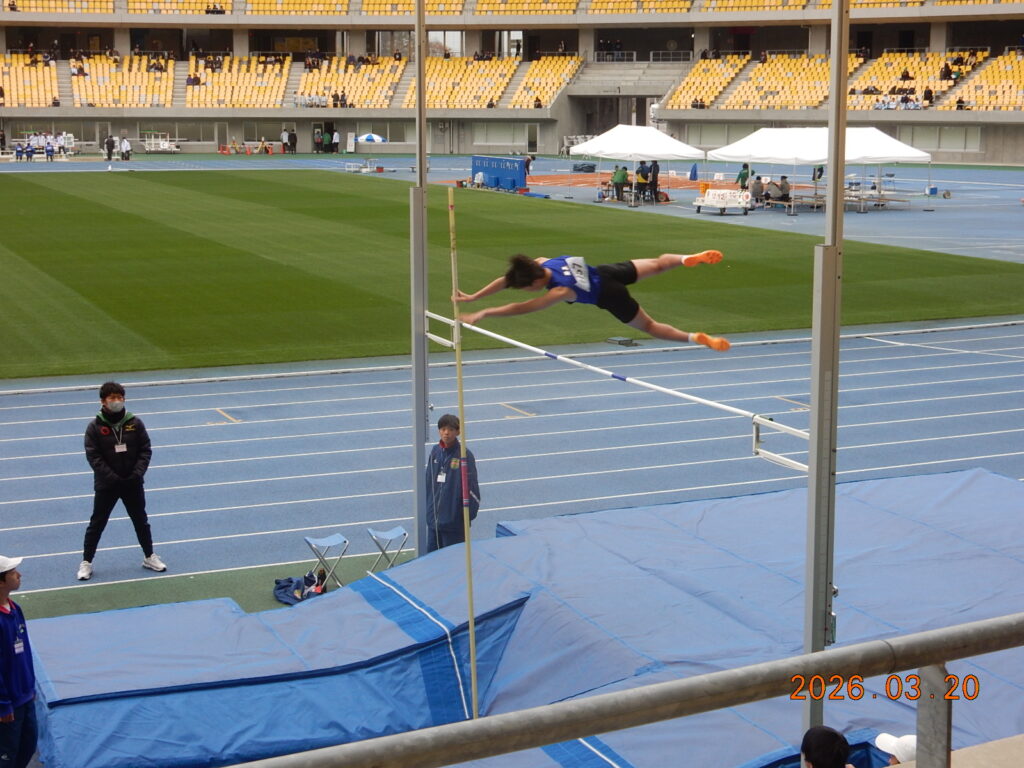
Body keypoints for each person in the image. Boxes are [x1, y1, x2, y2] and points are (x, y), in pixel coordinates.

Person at [455, 252, 731, 350]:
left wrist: (485, 312)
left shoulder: (560, 291)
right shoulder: (543, 262)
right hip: (606, 272)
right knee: (659, 263)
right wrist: (475, 296)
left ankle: (695, 338)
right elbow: (507, 279)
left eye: (526, 288)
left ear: (536, 283)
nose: (526, 292)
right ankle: (686, 258)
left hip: (610, 296)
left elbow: (522, 308)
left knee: (650, 327)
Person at [78, 382, 165, 581]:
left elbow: (145, 450)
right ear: (103, 401)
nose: (116, 401)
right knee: (97, 523)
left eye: (119, 397)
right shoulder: (95, 426)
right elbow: (94, 457)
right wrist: (113, 478)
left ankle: (149, 556)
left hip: (133, 483)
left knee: (141, 521)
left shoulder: (135, 422)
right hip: (107, 485)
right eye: (112, 398)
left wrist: (136, 474)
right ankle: (86, 562)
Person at [0, 554, 37, 768]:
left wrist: (30, 686)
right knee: (7, 755)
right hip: (7, 705)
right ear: (1, 582)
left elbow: (26, 652)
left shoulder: (15, 609)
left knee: (27, 746)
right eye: (13, 573)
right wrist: (3, 705)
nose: (19, 575)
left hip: (25, 696)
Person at [424, 414, 480, 553]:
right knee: (432, 560)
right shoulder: (435, 452)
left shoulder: (464, 456)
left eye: (450, 429)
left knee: (454, 560)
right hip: (434, 522)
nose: (446, 433)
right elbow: (428, 483)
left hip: (454, 524)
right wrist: (430, 512)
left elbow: (472, 489)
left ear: (458, 432)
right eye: (443, 429)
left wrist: (464, 517)